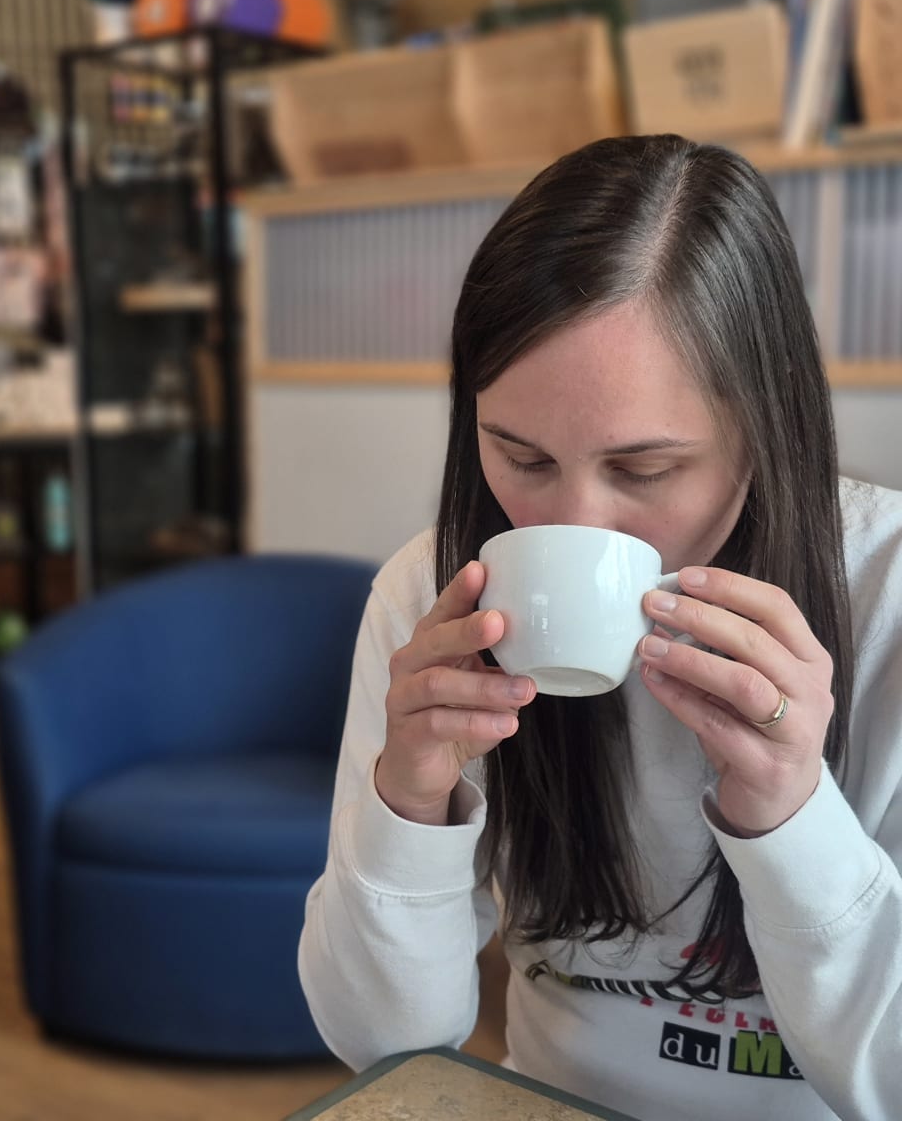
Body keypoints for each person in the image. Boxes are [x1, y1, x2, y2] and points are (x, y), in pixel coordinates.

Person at [298, 133, 902, 1121]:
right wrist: (409, 802)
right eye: (520, 456)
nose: (571, 524)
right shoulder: (432, 599)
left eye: (645, 469)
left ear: (765, 429)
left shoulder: (886, 596)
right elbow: (384, 1048)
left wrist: (794, 813)